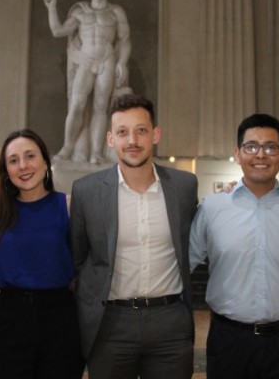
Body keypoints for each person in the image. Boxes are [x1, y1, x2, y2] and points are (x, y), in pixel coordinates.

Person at [71, 93, 198, 379]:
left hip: (170, 324)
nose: (132, 140)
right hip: (111, 325)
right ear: (110, 139)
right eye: (122, 132)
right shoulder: (87, 191)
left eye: (141, 130)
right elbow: (79, 258)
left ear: (155, 134)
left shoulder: (184, 186)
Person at [189, 113, 279, 379]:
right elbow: (183, 265)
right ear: (237, 154)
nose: (260, 155)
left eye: (270, 147)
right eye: (251, 147)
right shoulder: (212, 208)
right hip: (229, 341)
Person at [0, 129, 85, 379]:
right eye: (13, 160)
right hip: (12, 317)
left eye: (30, 156)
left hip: (60, 318)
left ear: (45, 161)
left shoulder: (69, 205)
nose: (23, 166)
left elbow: (85, 261)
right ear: (6, 171)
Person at [43, 0, 131, 164]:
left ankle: (96, 152)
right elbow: (58, 31)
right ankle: (67, 148)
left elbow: (124, 40)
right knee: (76, 105)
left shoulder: (116, 12)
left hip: (107, 60)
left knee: (101, 107)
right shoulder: (80, 11)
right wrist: (52, 7)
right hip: (86, 59)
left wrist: (122, 62)